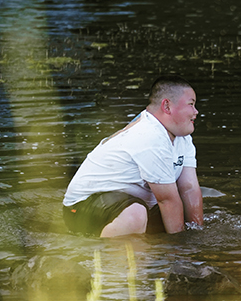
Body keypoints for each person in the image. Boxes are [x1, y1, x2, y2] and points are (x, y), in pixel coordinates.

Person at [62, 75, 204, 237]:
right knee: (136, 214)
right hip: (79, 209)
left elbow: (189, 189)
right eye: (191, 104)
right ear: (167, 106)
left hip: (128, 205)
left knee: (180, 211)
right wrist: (181, 251)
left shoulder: (182, 137)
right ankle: (103, 254)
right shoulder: (150, 135)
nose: (196, 111)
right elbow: (167, 200)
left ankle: (145, 248)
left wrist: (197, 236)